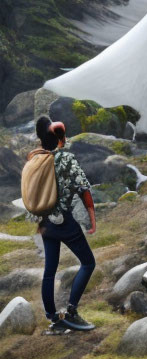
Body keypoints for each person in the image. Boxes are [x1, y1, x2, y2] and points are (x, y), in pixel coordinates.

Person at [30, 116, 97, 333]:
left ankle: (53, 319)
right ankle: (71, 312)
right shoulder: (65, 158)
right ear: (57, 136)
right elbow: (83, 188)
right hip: (65, 222)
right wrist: (91, 218)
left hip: (46, 223)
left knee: (49, 271)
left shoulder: (36, 159)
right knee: (88, 263)